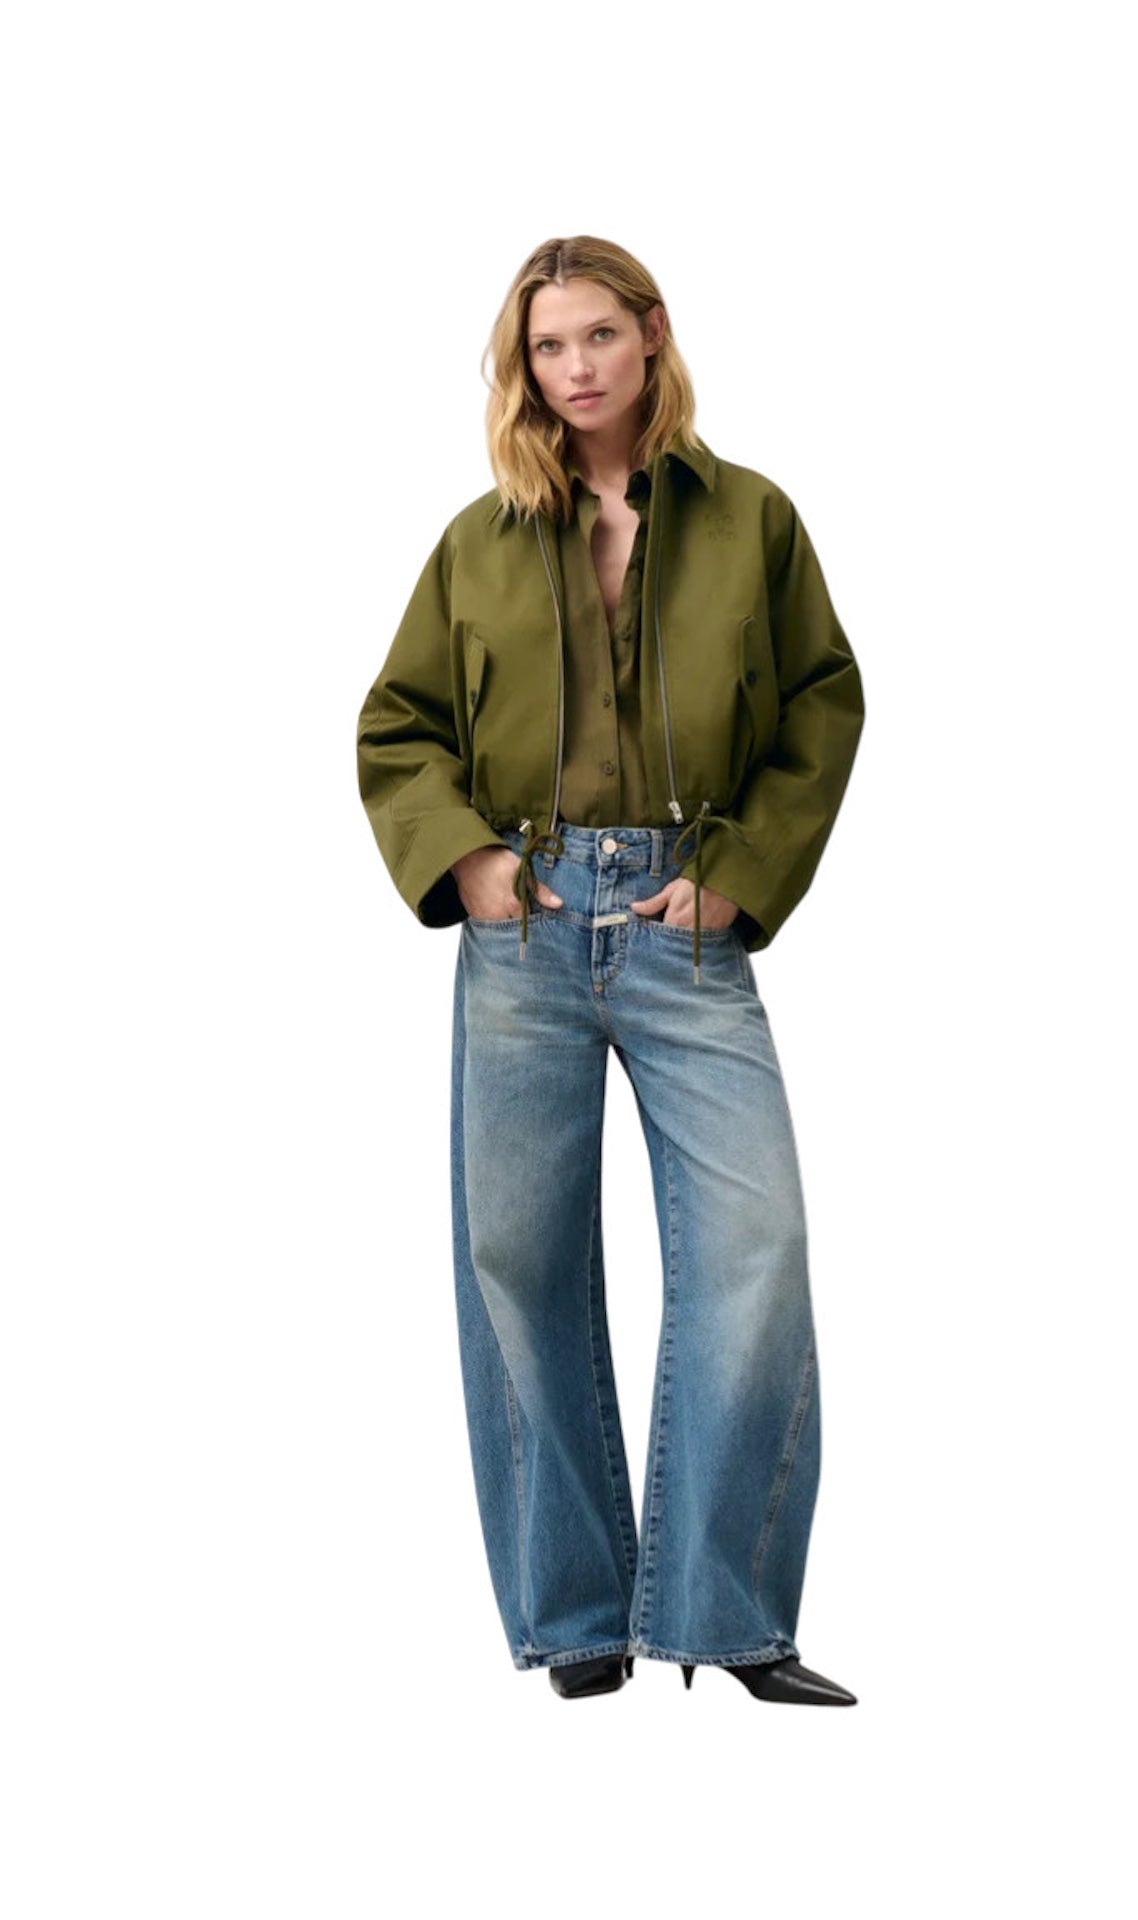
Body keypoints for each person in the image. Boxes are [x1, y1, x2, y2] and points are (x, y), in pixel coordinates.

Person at [356, 236, 866, 1704]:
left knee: (755, 1250)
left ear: (651, 333)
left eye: (596, 335)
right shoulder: (478, 540)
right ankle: (577, 1620)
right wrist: (468, 862)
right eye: (546, 346)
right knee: (519, 1265)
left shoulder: (753, 518)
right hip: (523, 921)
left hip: (684, 917)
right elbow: (397, 723)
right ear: (523, 367)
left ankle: (729, 1613)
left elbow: (823, 702)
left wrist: (741, 874)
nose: (573, 368)